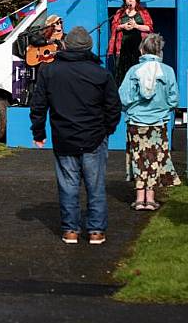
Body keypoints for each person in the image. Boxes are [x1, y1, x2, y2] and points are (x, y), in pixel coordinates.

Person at [30, 26, 122, 245]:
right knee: (95, 185)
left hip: (64, 136)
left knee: (68, 185)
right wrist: (108, 129)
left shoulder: (50, 72)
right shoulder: (100, 73)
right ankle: (96, 231)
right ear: (89, 47)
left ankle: (71, 230)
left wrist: (39, 131)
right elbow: (114, 107)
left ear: (66, 45)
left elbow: (38, 104)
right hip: (94, 137)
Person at [119, 33, 181, 211]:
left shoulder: (133, 71)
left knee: (139, 158)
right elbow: (174, 99)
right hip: (158, 122)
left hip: (136, 121)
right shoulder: (167, 71)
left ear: (141, 50)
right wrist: (162, 108)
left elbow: (123, 97)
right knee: (155, 158)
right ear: (160, 51)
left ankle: (139, 198)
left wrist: (132, 109)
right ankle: (150, 198)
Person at [108, 0, 154, 86]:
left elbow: (149, 28)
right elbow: (114, 27)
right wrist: (123, 26)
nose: (130, 0)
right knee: (122, 73)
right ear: (125, 1)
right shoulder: (120, 13)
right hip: (123, 48)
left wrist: (136, 26)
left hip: (139, 47)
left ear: (136, 1)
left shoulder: (143, 12)